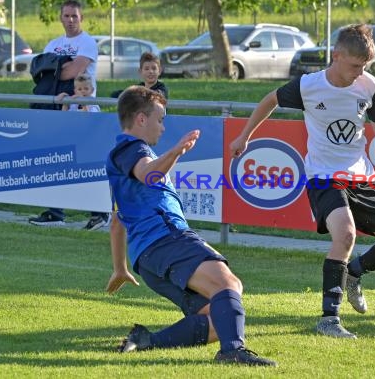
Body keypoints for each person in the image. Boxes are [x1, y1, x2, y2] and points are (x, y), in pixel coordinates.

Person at [230, 24, 375, 338]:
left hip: (360, 176)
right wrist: (244, 136)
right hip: (322, 176)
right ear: (337, 55)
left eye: (365, 66)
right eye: (355, 65)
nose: (360, 72)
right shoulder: (308, 86)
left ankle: (354, 273)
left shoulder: (369, 85)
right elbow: (270, 100)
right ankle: (329, 319)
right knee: (344, 235)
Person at [105, 86, 276, 366]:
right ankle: (232, 352)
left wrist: (120, 268)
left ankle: (147, 340)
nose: (162, 127)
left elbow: (116, 221)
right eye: (160, 119)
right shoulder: (132, 149)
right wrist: (177, 151)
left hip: (148, 261)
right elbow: (149, 174)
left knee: (216, 319)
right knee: (228, 284)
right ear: (140, 120)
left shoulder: (121, 160)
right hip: (166, 241)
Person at [28, 0, 101, 228]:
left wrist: (54, 70)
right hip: (60, 109)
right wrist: (58, 68)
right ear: (60, 18)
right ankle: (55, 213)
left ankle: (99, 213)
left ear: (82, 18)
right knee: (57, 160)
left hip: (84, 110)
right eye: (66, 16)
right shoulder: (53, 44)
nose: (70, 20)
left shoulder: (87, 42)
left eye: (74, 16)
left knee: (87, 161)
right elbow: (43, 70)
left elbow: (72, 71)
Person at [53, 73, 110, 230]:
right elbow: (64, 119)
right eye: (79, 89)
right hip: (74, 147)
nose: (82, 92)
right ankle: (57, 212)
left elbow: (90, 119)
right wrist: (65, 100)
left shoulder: (93, 104)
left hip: (90, 149)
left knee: (92, 182)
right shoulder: (72, 103)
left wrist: (82, 103)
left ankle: (101, 214)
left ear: (91, 90)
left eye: (86, 89)